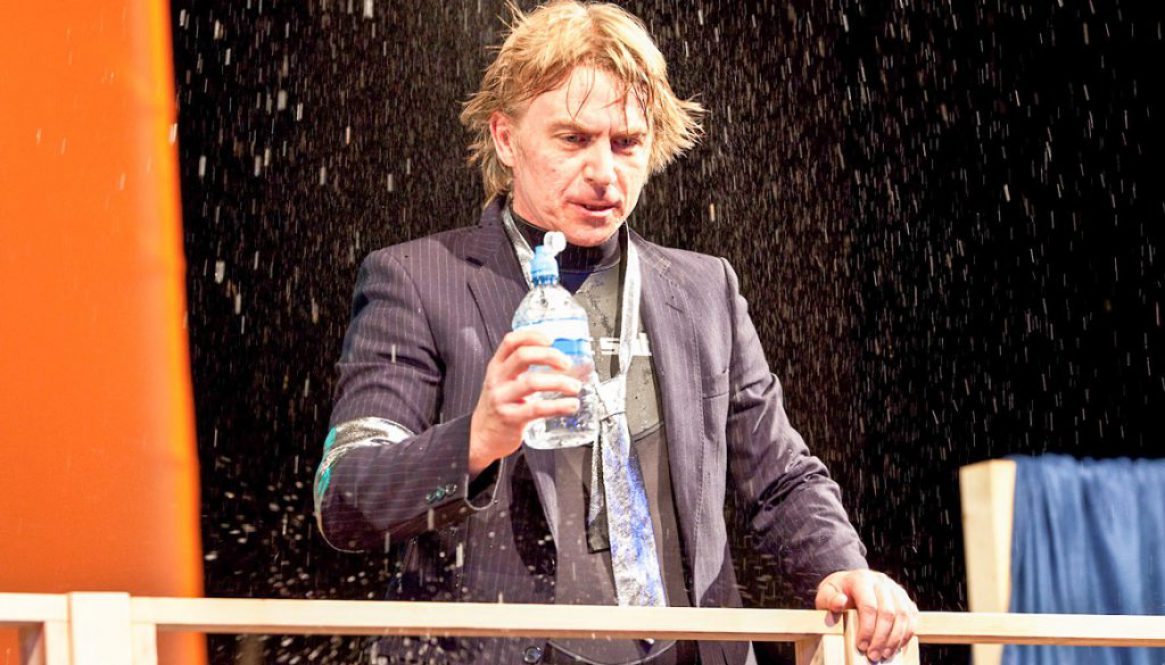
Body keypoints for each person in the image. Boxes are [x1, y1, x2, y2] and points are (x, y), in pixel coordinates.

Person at [314, 2, 918, 663]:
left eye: (626, 143)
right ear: (506, 138)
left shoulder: (705, 289)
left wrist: (840, 565)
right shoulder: (416, 279)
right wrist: (476, 439)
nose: (604, 173)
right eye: (573, 139)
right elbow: (344, 498)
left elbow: (779, 477)